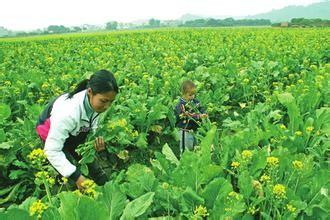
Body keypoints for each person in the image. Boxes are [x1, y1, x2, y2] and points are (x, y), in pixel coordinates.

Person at [36, 69, 118, 190]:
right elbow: (52, 150)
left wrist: (94, 141)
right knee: (71, 179)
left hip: (74, 131)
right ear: (90, 92)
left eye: (111, 102)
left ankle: (103, 184)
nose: (107, 107)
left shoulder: (95, 103)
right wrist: (77, 177)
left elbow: (91, 124)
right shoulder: (68, 113)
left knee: (92, 166)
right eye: (104, 101)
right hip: (48, 131)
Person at [174, 80, 207, 156]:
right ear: (183, 94)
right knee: (186, 151)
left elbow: (200, 108)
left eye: (194, 94)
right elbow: (186, 115)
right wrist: (198, 116)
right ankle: (184, 165)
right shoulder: (180, 105)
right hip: (185, 131)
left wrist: (204, 113)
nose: (192, 97)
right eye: (190, 95)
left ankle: (194, 164)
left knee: (195, 148)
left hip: (194, 130)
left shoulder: (195, 101)